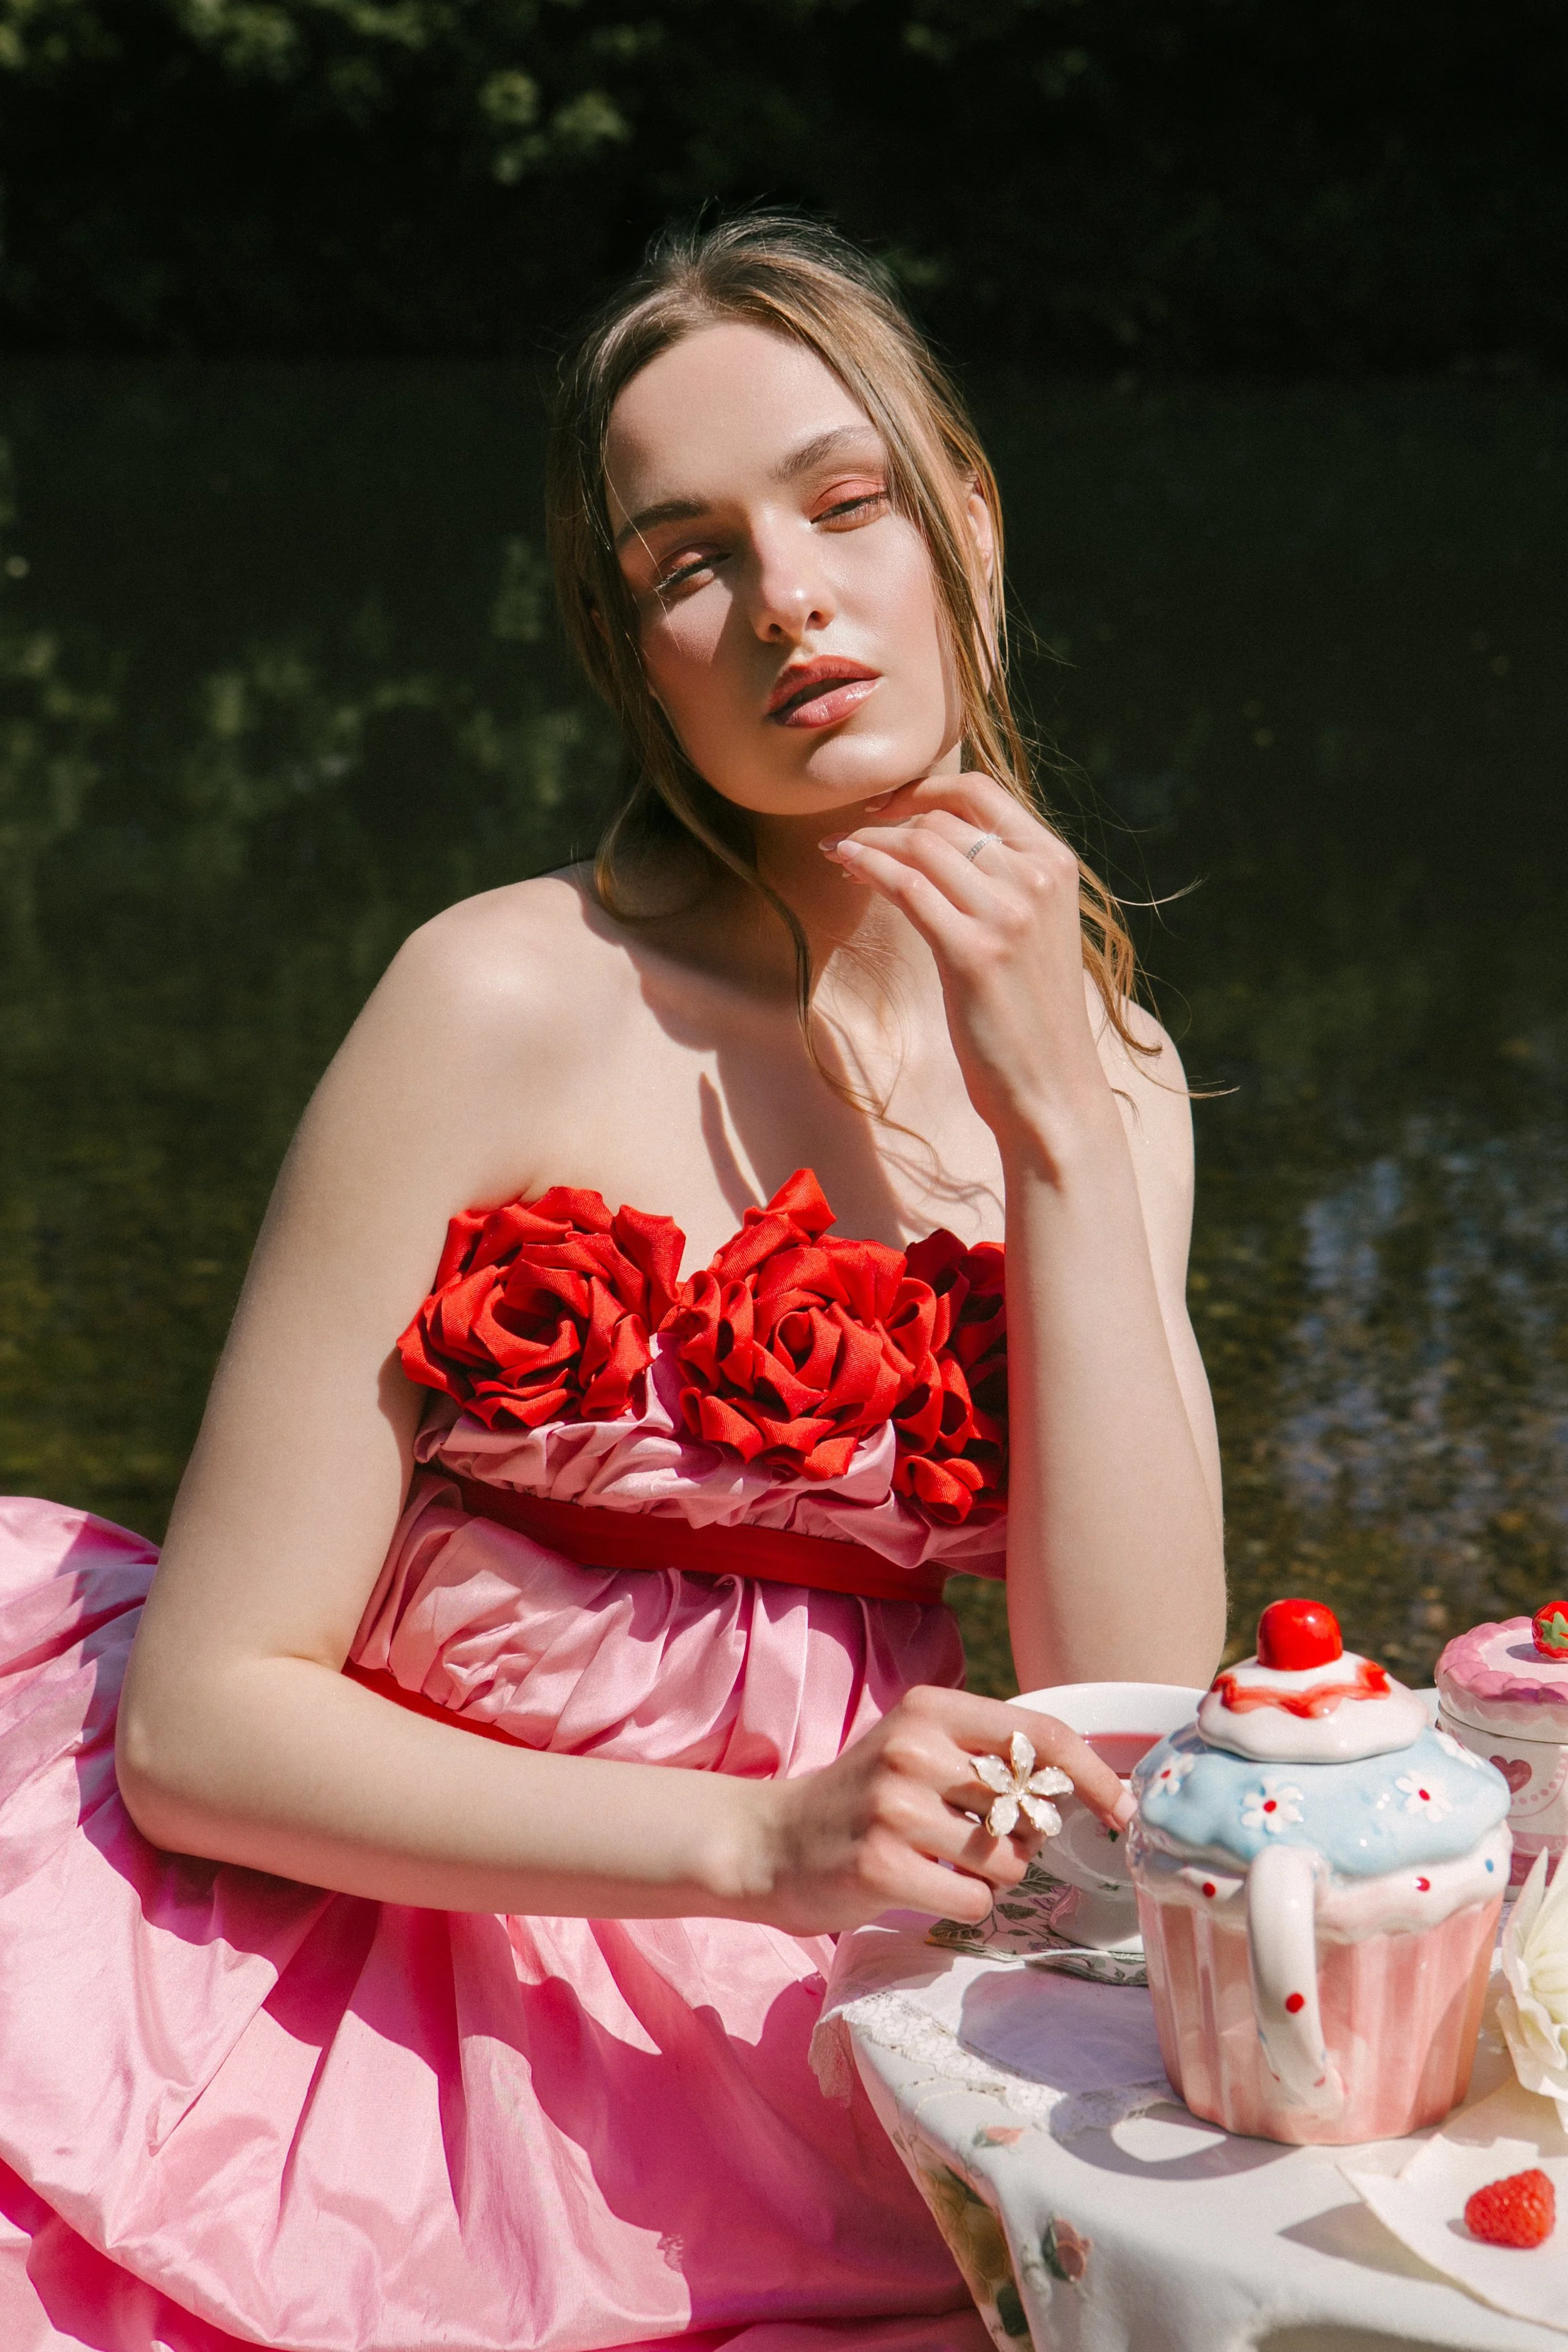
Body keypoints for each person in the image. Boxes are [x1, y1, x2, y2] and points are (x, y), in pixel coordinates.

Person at [0, 215, 1226, 2351]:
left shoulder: (1102, 1068)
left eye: (845, 507)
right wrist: (760, 1837)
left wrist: (1055, 1133)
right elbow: (203, 1723)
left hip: (834, 2027)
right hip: (387, 1959)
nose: (788, 601)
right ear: (624, 640)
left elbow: (1116, 1723)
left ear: (972, 531)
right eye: (688, 561)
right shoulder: (494, 996)